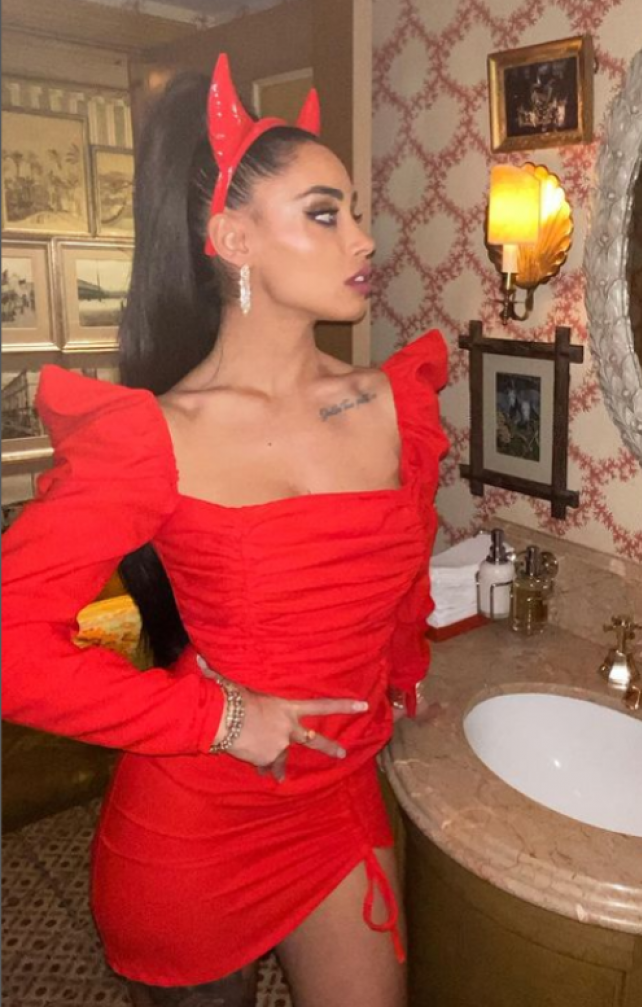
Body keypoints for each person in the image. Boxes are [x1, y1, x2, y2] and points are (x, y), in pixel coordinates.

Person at [2, 53, 448, 1007]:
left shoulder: (394, 404)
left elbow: (404, 574)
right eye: (324, 213)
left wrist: (405, 672)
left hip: (339, 795)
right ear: (232, 237)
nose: (363, 236)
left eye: (353, 210)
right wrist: (223, 718)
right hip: (196, 823)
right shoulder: (154, 438)